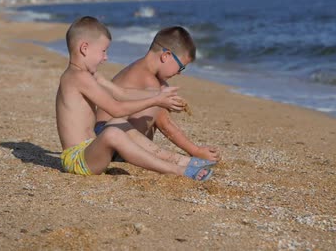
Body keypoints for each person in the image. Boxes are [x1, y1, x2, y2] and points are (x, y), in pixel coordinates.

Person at [56, 16, 214, 181]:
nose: (105, 57)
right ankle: (176, 170)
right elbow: (116, 109)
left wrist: (158, 96)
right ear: (84, 48)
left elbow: (122, 93)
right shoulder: (78, 77)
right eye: (103, 51)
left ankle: (185, 161)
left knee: (117, 124)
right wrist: (156, 100)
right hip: (76, 161)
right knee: (112, 133)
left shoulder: (87, 75)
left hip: (90, 151)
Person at [96, 26, 221, 162]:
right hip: (106, 137)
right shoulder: (149, 81)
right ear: (166, 56)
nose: (179, 72)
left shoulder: (141, 69)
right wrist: (196, 151)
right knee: (156, 99)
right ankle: (126, 155)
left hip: (105, 133)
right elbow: (165, 124)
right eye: (181, 67)